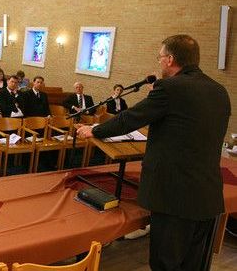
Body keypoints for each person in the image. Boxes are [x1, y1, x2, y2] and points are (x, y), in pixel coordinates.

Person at [77, 35, 231, 271]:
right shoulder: (219, 91)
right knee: (194, 265)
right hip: (207, 196)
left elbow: (130, 118)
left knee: (166, 264)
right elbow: (188, 129)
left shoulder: (169, 88)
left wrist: (94, 130)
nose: (159, 63)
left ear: (170, 59)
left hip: (174, 196)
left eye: (160, 58)